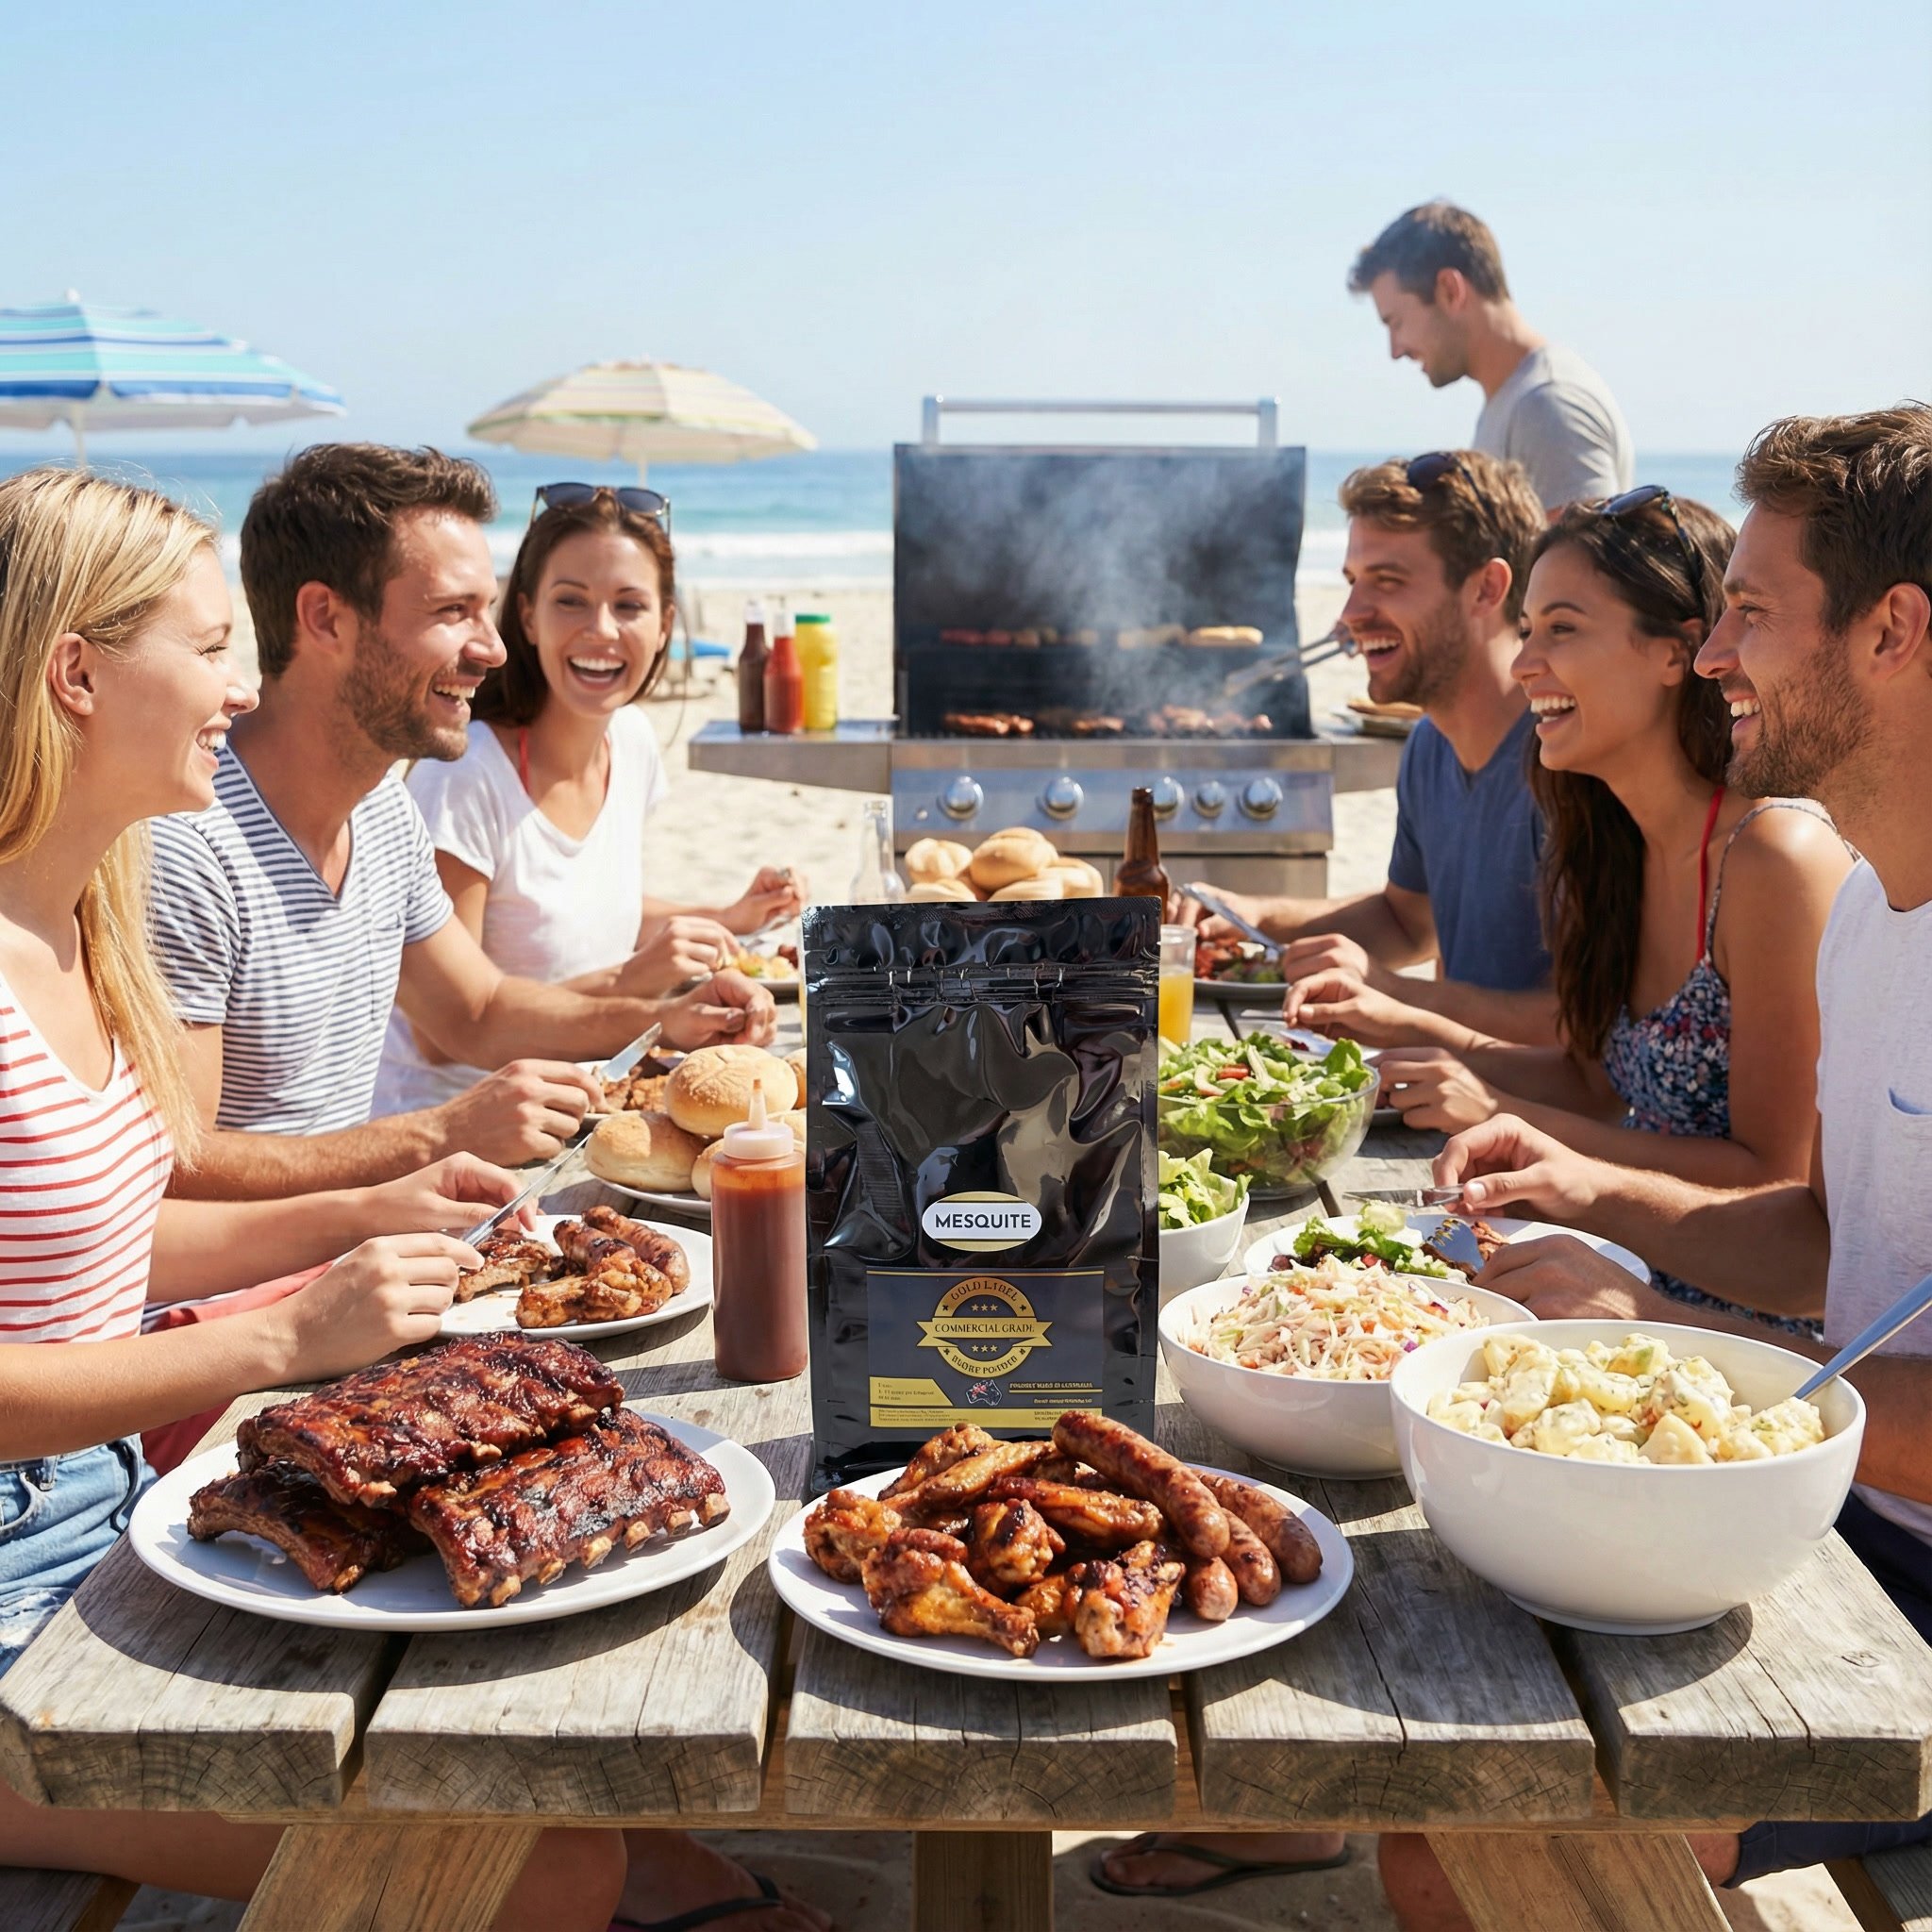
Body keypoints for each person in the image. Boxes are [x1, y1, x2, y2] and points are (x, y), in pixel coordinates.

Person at [0, 468, 626, 1929]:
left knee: (544, 1723)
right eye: (212, 648)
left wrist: (371, 1216)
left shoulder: (81, 923)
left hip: (124, 1511)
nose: (241, 687)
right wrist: (282, 1342)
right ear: (75, 673)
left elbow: (106, 1247)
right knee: (553, 1867)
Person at [1379, 404, 1932, 1929]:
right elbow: (1819, 1234)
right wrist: (1590, 1200)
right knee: (1422, 1696)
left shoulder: (1798, 872)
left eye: (1747, 614)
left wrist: (1678, 1370)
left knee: (1461, 1844)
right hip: (1820, 1516)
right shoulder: (1881, 914)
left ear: (1892, 630)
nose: (1709, 655)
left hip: (1903, 1597)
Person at [147, 444, 776, 1201]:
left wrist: (664, 1019)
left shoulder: (380, 809)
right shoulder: (188, 846)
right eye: (453, 612)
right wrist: (441, 1133)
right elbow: (177, 1171)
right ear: (324, 618)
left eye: (487, 608)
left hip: (359, 1252)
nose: (494, 648)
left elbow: (477, 1010)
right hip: (257, 1298)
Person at [1370, 491, 1850, 1333]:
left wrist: (1497, 1112)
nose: (1523, 664)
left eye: (1561, 628)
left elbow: (1775, 1179)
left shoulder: (1776, 857)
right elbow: (1594, 1079)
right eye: (1525, 630)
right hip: (1593, 1281)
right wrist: (1409, 1056)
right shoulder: (1608, 840)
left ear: (1677, 653)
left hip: (1728, 1343)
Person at [375, 482, 805, 1118]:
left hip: (587, 1104)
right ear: (526, 617)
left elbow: (585, 912)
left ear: (664, 625)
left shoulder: (631, 742)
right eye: (570, 601)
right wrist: (639, 990)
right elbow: (448, 1036)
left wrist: (727, 917)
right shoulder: (463, 777)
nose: (600, 631)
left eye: (628, 605)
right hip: (460, 1133)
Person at [1189, 450, 1560, 1051]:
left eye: (1387, 582)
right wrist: (1248, 917)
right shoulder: (1428, 746)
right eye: (1352, 582)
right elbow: (1408, 921)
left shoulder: (1564, 760)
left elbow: (1588, 1032)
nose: (1351, 617)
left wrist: (1392, 994)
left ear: (1487, 588)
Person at [1350, 201, 1635, 513]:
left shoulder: (1548, 405)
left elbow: (1585, 562)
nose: (1395, 350)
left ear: (1449, 290)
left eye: (1396, 323)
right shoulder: (1514, 399)